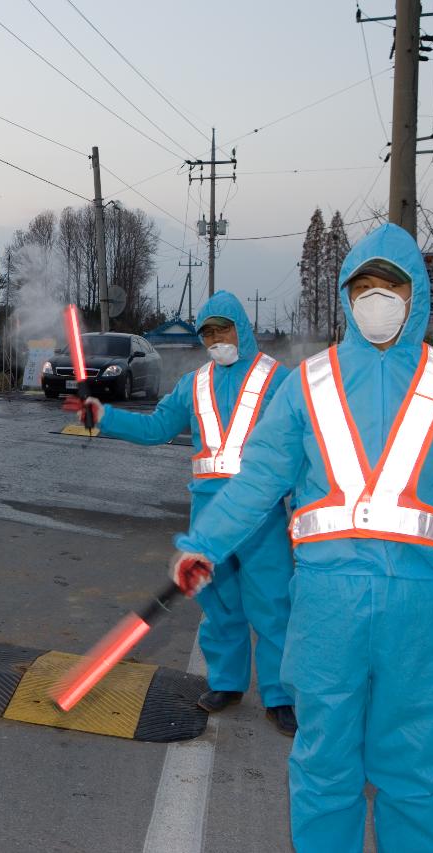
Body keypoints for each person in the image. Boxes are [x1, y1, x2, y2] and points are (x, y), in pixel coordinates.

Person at [170, 223, 433, 852]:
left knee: (417, 767)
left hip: (417, 603)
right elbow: (257, 479)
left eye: (392, 287)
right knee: (325, 766)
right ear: (347, 297)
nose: (378, 300)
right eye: (365, 288)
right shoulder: (308, 383)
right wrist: (206, 544)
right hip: (327, 606)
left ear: (418, 295)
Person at [65, 291, 297, 736]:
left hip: (262, 516)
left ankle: (281, 694)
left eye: (222, 329)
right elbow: (155, 428)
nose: (215, 339)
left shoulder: (280, 381)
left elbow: (302, 447)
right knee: (219, 604)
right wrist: (104, 416)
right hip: (209, 516)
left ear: (241, 329)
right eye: (207, 332)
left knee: (273, 606)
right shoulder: (194, 384)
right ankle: (227, 683)